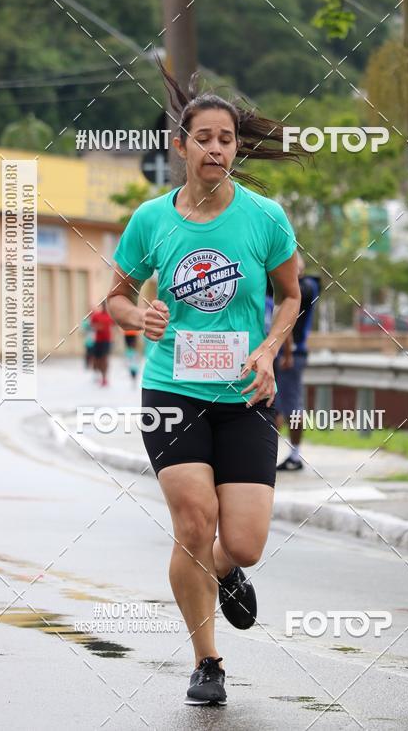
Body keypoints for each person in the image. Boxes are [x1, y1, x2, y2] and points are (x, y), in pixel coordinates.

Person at [106, 60, 303, 707]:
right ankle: (207, 662)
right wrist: (141, 314)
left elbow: (291, 295)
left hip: (244, 395)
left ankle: (224, 575)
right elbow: (114, 299)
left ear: (235, 147)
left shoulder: (265, 217)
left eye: (227, 138)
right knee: (195, 524)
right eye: (205, 138)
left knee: (240, 541)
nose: (217, 148)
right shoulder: (150, 221)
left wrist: (271, 350)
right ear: (181, 146)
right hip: (172, 392)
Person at [275, 257, 321, 471]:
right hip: (274, 352)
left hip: (292, 354)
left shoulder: (307, 287)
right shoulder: (277, 286)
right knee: (271, 406)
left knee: (292, 405)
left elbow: (287, 316)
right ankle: (270, 453)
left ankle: (295, 455)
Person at [90, 301, 114, 387]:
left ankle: (104, 378)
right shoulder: (96, 316)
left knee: (105, 359)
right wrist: (97, 327)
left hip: (107, 341)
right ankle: (97, 373)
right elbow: (91, 325)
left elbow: (115, 325)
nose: (105, 307)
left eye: (106, 305)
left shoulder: (110, 316)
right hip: (98, 341)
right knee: (97, 360)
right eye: (103, 305)